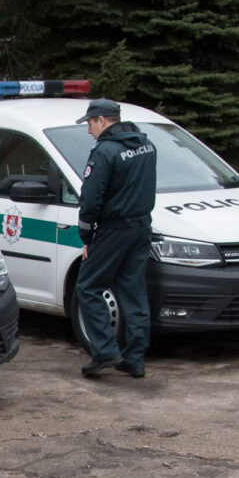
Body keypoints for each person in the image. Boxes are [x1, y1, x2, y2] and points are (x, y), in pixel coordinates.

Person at [75, 98, 156, 379]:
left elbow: (91, 198)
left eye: (89, 123)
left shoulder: (105, 152)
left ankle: (105, 351)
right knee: (133, 292)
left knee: (87, 286)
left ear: (101, 120)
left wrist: (85, 234)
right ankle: (135, 358)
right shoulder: (146, 145)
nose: (88, 130)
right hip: (141, 226)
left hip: (114, 229)